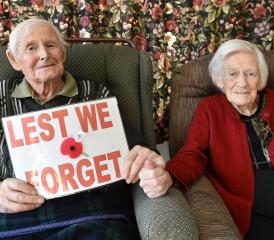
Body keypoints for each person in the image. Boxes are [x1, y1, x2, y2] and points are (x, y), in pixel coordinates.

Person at [0, 18, 171, 239]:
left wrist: (151, 165)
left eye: (51, 45)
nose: (44, 54)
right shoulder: (1, 96)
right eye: (31, 48)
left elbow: (138, 149)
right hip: (19, 217)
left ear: (64, 53)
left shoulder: (95, 93)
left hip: (94, 215)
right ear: (14, 60)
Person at [151, 39, 274, 239]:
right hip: (253, 213)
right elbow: (194, 154)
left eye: (250, 73)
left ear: (260, 77)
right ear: (220, 80)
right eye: (232, 74)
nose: (242, 82)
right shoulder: (210, 110)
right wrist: (169, 175)